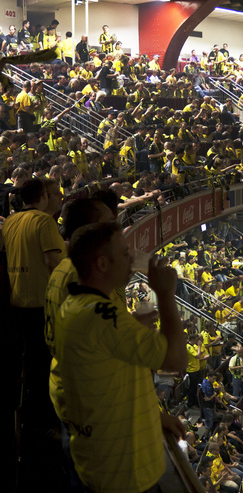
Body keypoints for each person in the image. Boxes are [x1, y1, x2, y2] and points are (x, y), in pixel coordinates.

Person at [48, 221, 188, 493]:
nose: (132, 259)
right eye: (124, 253)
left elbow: (107, 385)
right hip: (125, 473)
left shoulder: (76, 305)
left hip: (101, 461)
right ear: (102, 264)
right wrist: (165, 294)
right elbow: (176, 360)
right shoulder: (103, 317)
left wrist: (153, 417)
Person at [1, 175, 60, 481]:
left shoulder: (10, 222)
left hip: (15, 302)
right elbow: (53, 262)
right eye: (54, 194)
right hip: (40, 303)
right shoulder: (44, 221)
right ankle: (43, 424)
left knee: (26, 365)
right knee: (42, 366)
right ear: (43, 196)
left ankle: (26, 421)